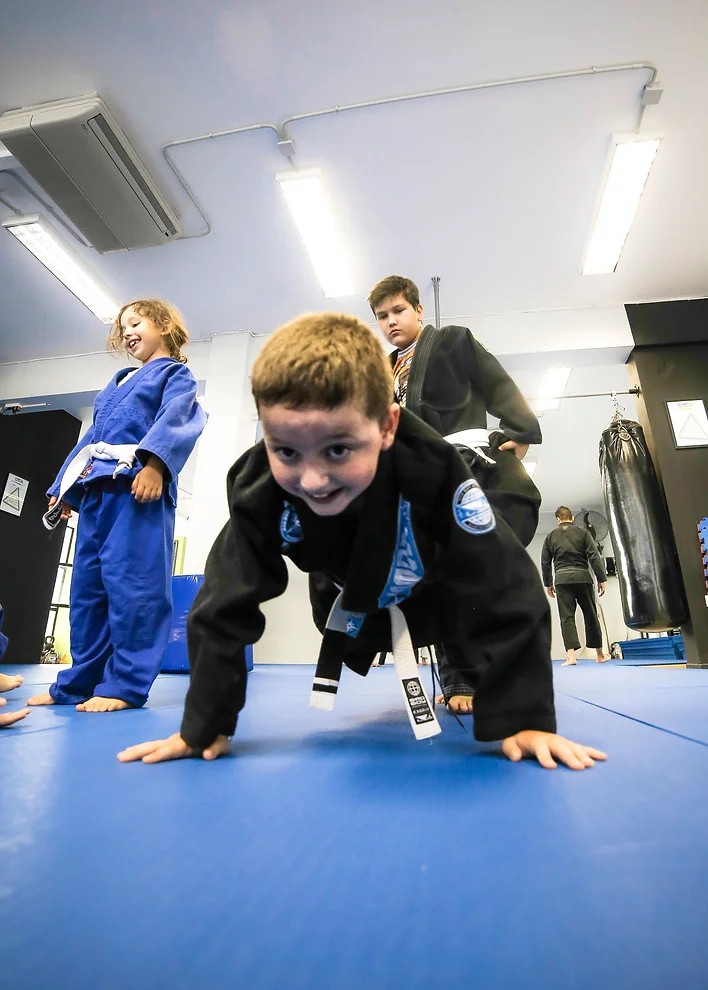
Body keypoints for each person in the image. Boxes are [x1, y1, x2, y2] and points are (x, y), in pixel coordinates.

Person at [118, 313, 606, 771]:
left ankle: (461, 666)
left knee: (475, 585)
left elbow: (508, 583)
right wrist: (204, 724)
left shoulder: (433, 468)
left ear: (387, 426)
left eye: (337, 449)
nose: (312, 479)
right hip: (348, 597)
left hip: (439, 593)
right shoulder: (260, 485)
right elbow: (222, 603)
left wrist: (526, 718)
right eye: (286, 451)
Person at [368, 275, 543, 710]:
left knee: (476, 569)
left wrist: (520, 429)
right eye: (382, 316)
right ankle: (459, 677)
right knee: (435, 576)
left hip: (463, 467)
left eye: (398, 311)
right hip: (415, 481)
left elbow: (495, 381)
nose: (391, 322)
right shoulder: (381, 372)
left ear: (418, 309)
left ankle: (489, 670)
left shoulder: (452, 342)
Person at [27, 300, 207, 713]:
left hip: (136, 488)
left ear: (164, 325)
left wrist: (156, 465)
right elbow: (92, 440)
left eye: (135, 322)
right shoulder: (118, 382)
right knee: (86, 591)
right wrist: (64, 486)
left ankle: (125, 685)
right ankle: (79, 683)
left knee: (135, 586)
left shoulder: (175, 375)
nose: (127, 332)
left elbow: (179, 419)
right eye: (122, 327)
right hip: (96, 491)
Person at [541, 507, 610, 666]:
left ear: (558, 519)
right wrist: (601, 578)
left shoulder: (550, 536)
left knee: (567, 617)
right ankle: (600, 655)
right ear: (572, 518)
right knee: (591, 615)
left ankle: (571, 657)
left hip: (562, 580)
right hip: (583, 577)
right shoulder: (583, 533)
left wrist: (548, 583)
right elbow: (594, 556)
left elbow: (545, 562)